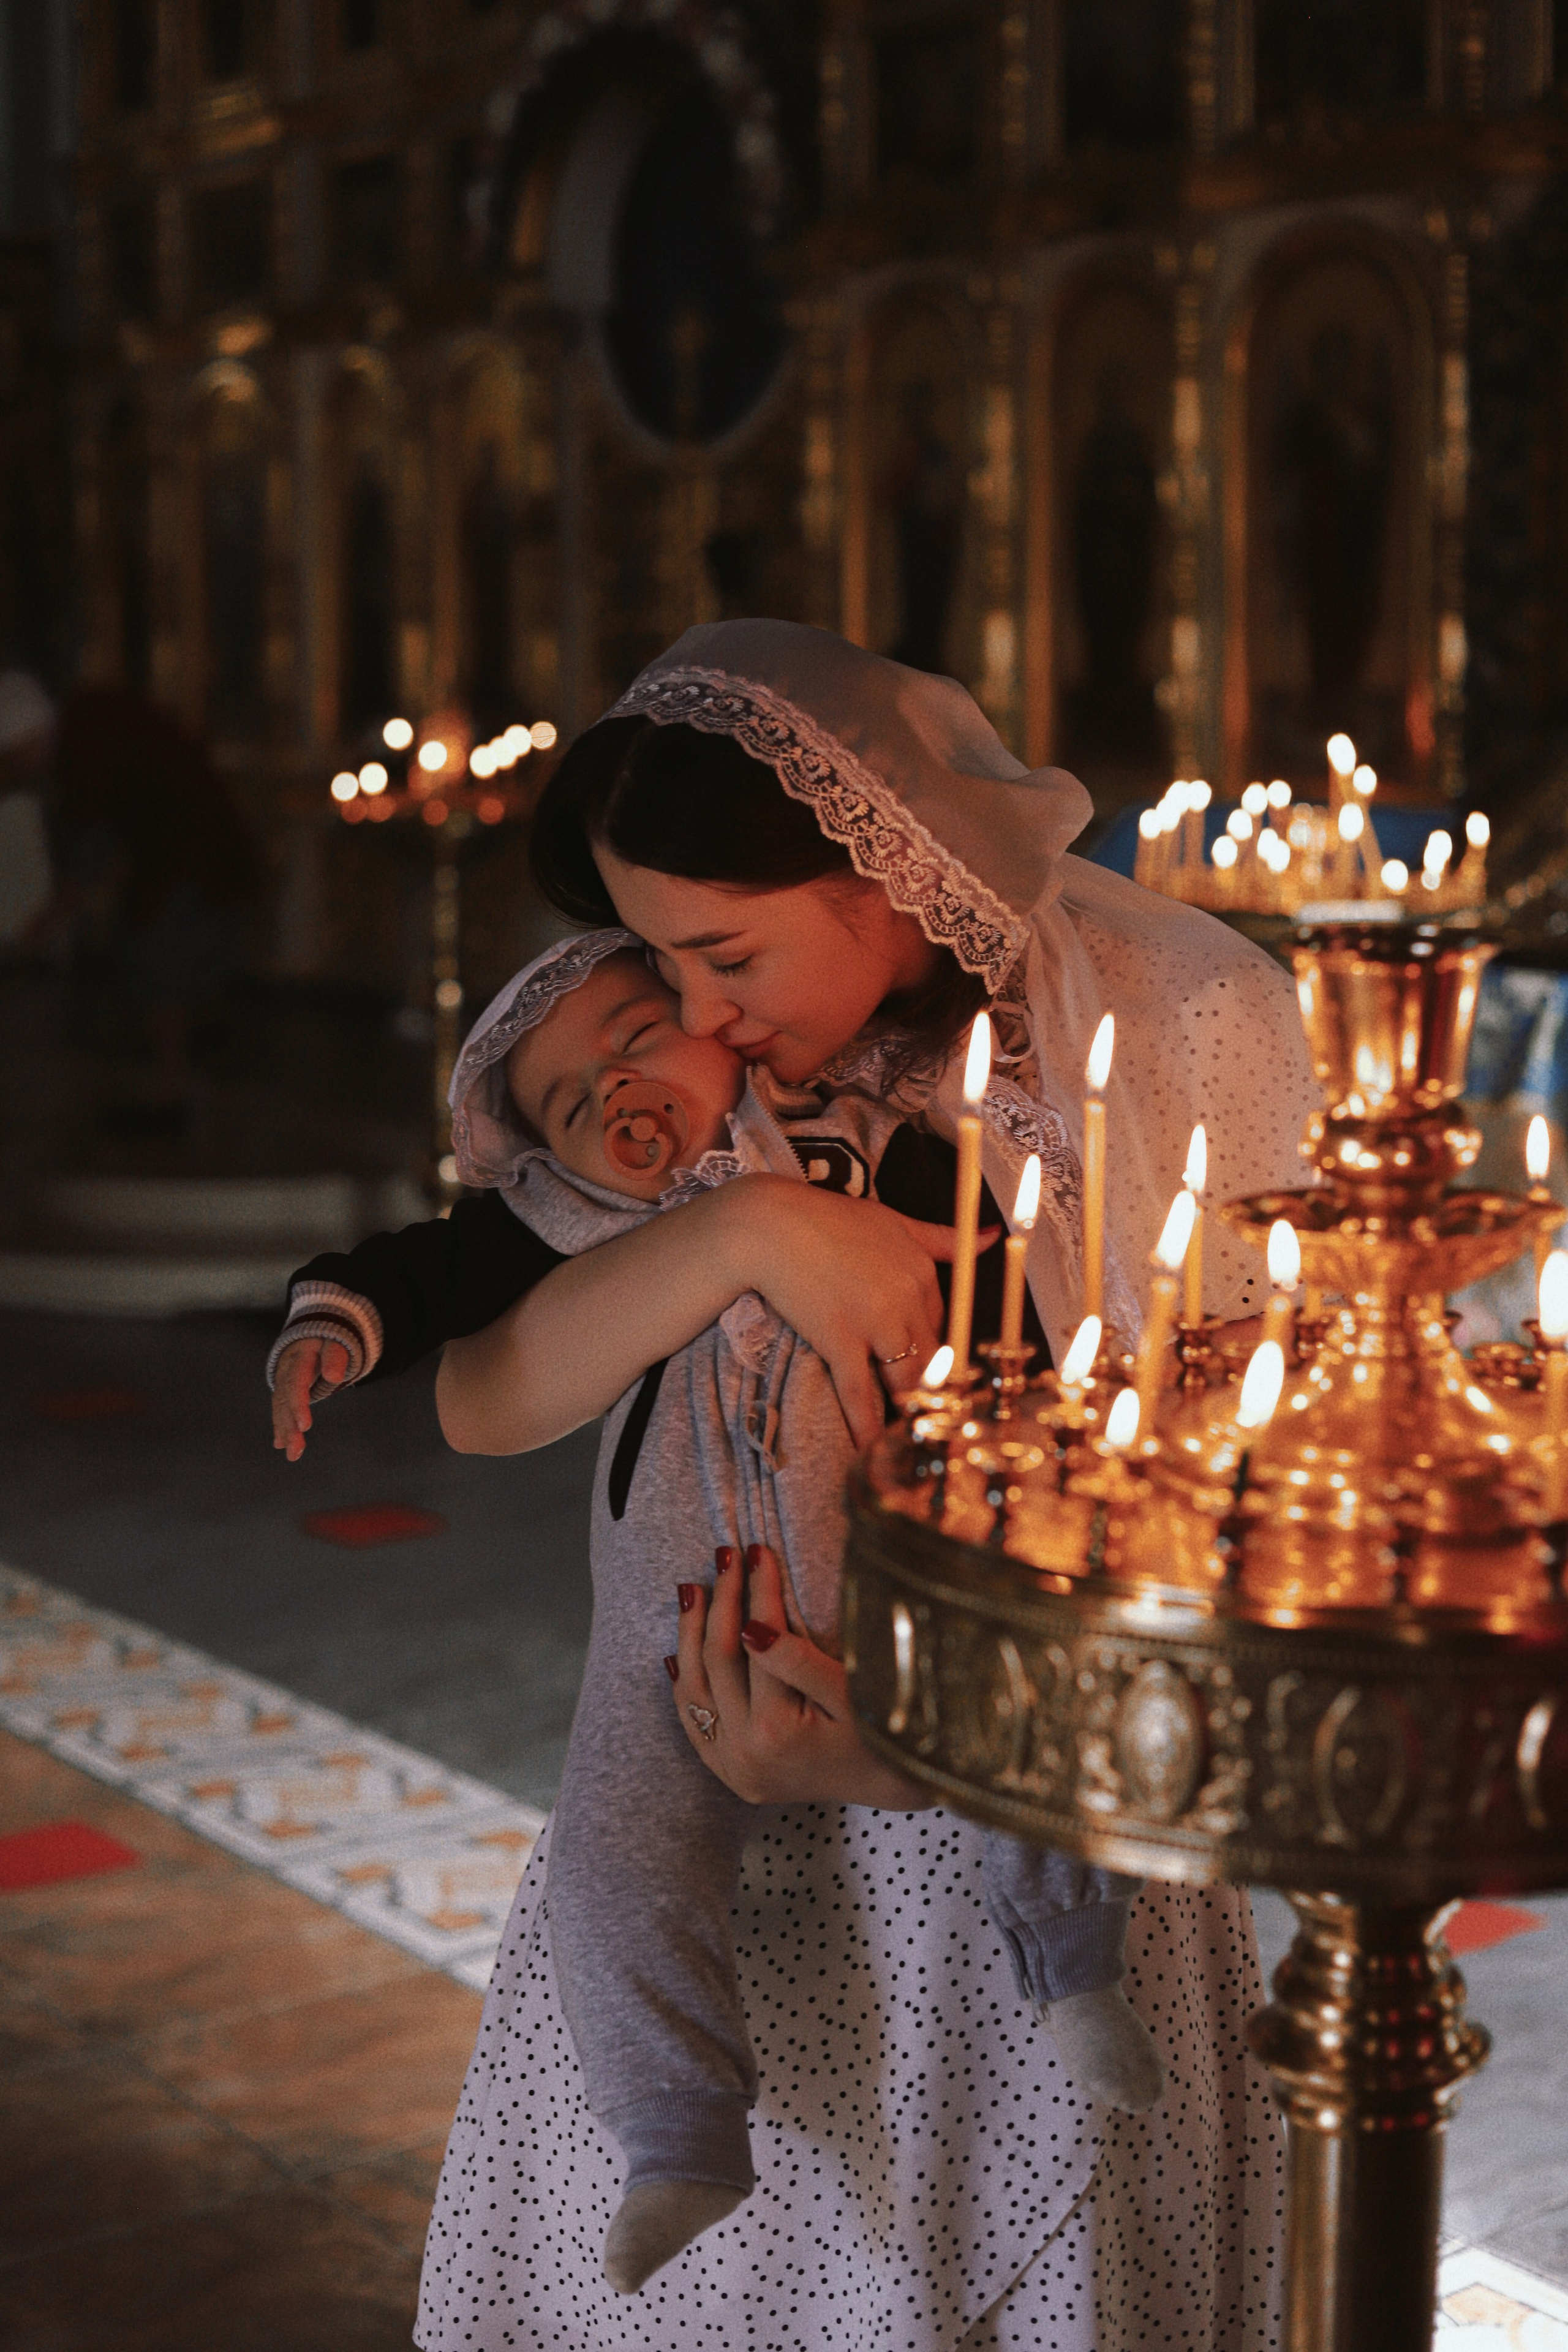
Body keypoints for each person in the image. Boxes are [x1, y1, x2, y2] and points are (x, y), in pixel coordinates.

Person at [298, 620, 1314, 2347]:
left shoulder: (1179, 1021)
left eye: (724, 953)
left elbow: (1261, 1529)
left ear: (881, 867)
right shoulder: (699, 1083)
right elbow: (484, 1400)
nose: (688, 1012)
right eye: (656, 958)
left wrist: (923, 1750)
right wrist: (754, 1228)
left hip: (1048, 1837)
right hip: (720, 1836)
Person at [270, 929, 1161, 2296]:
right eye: (571, 1100)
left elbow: (1014, 1269)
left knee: (1016, 1714)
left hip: (909, 1561)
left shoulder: (869, 1127)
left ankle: (1073, 1960)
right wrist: (331, 1323)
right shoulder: (575, 1210)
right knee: (617, 1850)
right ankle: (674, 2131)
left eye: (638, 1038)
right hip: (677, 1611)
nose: (613, 1094)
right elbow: (430, 1280)